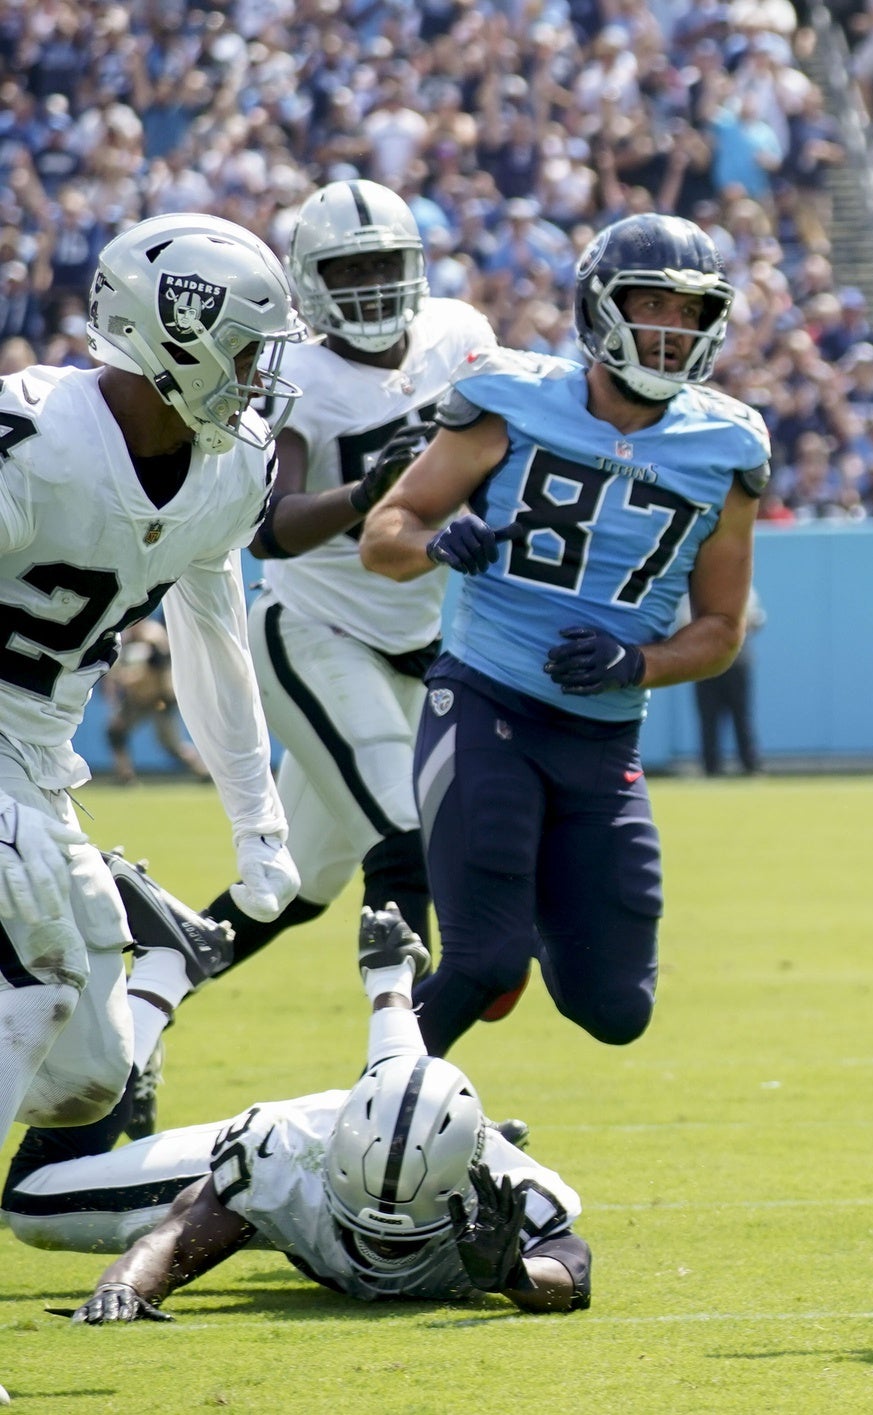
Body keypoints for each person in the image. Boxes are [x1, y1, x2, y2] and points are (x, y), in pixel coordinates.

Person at [126, 181, 501, 1137]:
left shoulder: (460, 335)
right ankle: (399, 1086)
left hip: (413, 642)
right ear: (309, 282)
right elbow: (274, 529)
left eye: (385, 265)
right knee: (406, 842)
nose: (373, 287)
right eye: (351, 269)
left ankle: (135, 1019)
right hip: (314, 632)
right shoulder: (303, 376)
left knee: (288, 889)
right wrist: (370, 491)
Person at [360, 213, 767, 1057]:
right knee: (483, 960)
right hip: (485, 699)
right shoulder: (510, 398)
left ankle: (527, 895)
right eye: (651, 302)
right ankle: (351, 1129)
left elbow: (723, 628)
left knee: (616, 1007)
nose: (672, 327)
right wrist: (438, 541)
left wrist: (639, 660)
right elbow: (384, 533)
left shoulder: (726, 446)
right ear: (600, 308)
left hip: (602, 737)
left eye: (691, 311)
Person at [0, 213, 303, 1151]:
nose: (259, 377)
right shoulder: (34, 434)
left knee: (88, 1074)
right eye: (247, 350)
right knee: (40, 978)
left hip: (42, 764)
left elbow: (215, 637)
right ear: (175, 328)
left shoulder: (231, 467)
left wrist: (257, 817)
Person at [4, 906, 590, 1317]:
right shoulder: (287, 1156)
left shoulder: (505, 1195)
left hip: (386, 1145)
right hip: (306, 1170)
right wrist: (128, 1288)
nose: (383, 1250)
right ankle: (163, 975)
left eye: (402, 1242)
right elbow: (182, 1235)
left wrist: (515, 1275)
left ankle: (387, 976)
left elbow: (571, 1272)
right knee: (30, 1202)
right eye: (367, 1229)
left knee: (402, 1094)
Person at [99, 619, 209, 784]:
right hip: (137, 698)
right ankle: (125, 775)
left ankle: (204, 771)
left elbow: (158, 664)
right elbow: (113, 669)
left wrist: (128, 677)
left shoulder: (153, 635)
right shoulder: (124, 637)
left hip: (160, 698)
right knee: (115, 730)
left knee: (171, 745)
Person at [691, 585, 764, 776]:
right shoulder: (692, 592)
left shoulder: (744, 588)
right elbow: (684, 623)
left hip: (736, 662)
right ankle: (711, 767)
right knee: (708, 716)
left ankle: (750, 765)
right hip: (705, 664)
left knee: (742, 715)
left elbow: (755, 619)